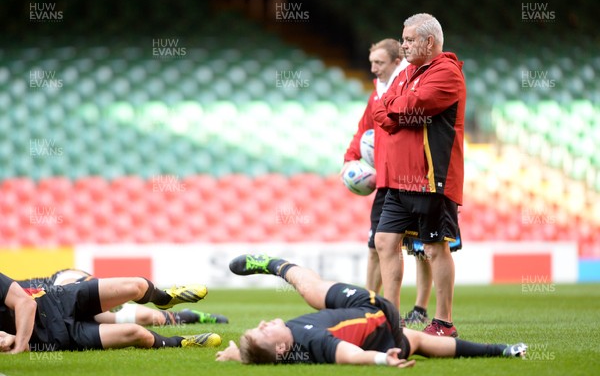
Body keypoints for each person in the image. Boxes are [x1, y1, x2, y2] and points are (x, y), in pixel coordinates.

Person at [215, 254, 526, 366]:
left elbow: (258, 355)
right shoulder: (312, 339)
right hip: (371, 310)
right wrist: (381, 361)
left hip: (382, 336)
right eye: (264, 329)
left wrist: (236, 353)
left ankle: (502, 351)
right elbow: (349, 356)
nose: (264, 322)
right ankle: (276, 264)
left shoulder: (275, 355)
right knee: (312, 291)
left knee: (420, 343)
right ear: (282, 346)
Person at [371, 13, 466, 337]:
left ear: (429, 42)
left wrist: (397, 107)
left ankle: (443, 322)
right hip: (399, 179)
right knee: (384, 241)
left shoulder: (447, 72)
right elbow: (382, 111)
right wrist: (397, 108)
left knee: (433, 248)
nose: (404, 45)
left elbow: (414, 105)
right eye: (403, 38)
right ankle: (390, 319)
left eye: (410, 39)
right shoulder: (406, 73)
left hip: (430, 178)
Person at [0, 271, 221, 353]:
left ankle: (164, 299)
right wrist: (11, 341)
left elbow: (26, 304)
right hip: (57, 337)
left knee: (136, 286)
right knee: (138, 334)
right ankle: (181, 342)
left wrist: (18, 344)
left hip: (57, 300)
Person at [341, 38, 408, 294]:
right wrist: (349, 159)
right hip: (385, 182)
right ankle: (368, 302)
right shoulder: (376, 94)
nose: (373, 68)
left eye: (379, 63)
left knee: (426, 249)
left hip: (411, 181)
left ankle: (423, 309)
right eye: (371, 63)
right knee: (375, 245)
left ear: (396, 62)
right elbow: (363, 130)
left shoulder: (406, 88)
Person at [19, 269, 229, 325]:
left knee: (76, 289)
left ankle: (163, 297)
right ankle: (189, 316)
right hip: (58, 320)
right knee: (150, 319)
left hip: (56, 289)